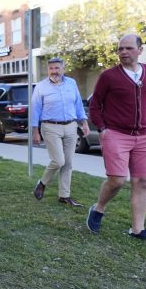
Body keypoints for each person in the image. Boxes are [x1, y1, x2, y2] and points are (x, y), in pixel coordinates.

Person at [86, 34, 146, 246]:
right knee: (117, 181)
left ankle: (138, 230)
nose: (123, 52)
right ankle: (98, 208)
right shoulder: (109, 76)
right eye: (120, 49)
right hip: (116, 134)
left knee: (142, 182)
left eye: (129, 48)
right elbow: (95, 105)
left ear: (140, 50)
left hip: (145, 136)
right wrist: (102, 129)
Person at [30, 57, 90, 206]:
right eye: (51, 68)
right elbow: (35, 109)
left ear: (63, 69)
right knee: (58, 160)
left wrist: (84, 123)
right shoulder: (41, 86)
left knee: (68, 163)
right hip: (50, 127)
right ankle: (42, 183)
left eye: (57, 68)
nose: (54, 71)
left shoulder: (71, 83)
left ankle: (64, 196)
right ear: (48, 70)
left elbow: (77, 104)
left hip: (71, 126)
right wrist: (35, 131)